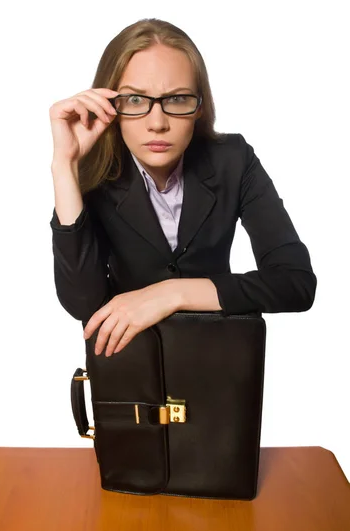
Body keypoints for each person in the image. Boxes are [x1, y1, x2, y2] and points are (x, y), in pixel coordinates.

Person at [49, 18, 317, 359]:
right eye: (135, 100)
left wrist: (172, 294)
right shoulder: (96, 175)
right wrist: (64, 166)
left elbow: (295, 283)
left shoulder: (233, 160)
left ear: (199, 107)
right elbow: (83, 303)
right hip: (132, 382)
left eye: (176, 99)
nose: (157, 123)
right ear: (110, 106)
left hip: (220, 376)